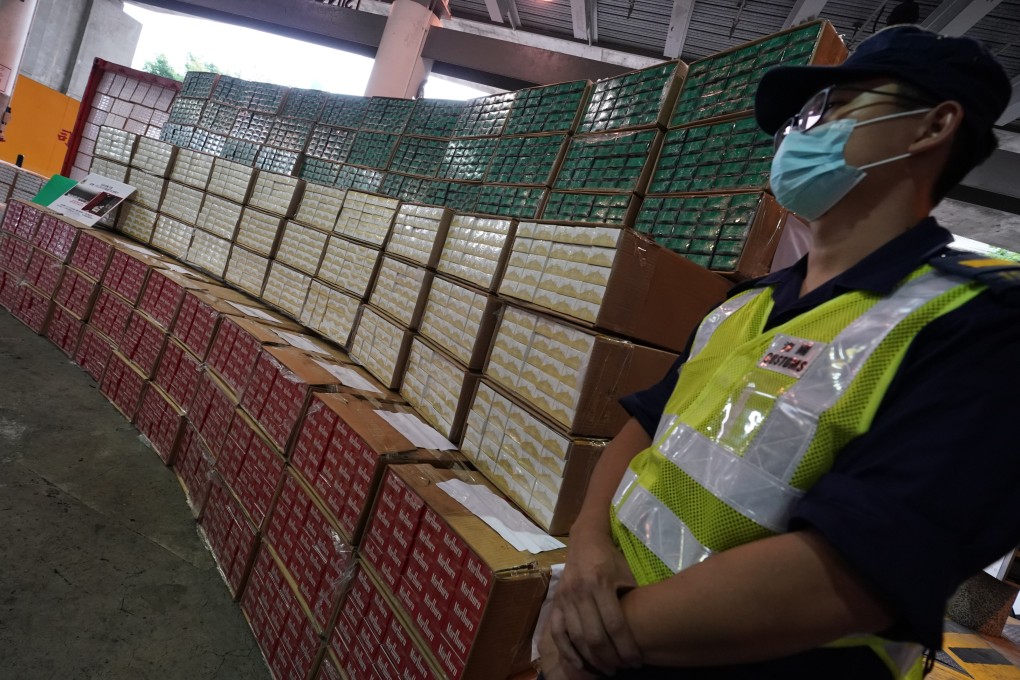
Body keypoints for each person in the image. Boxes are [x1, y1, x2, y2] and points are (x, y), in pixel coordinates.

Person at [537, 24, 1020, 680]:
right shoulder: (746, 305)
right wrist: (588, 546)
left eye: (838, 108)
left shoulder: (976, 330)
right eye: (802, 116)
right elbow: (645, 427)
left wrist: (591, 635)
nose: (801, 133)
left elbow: (851, 574)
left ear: (931, 126)